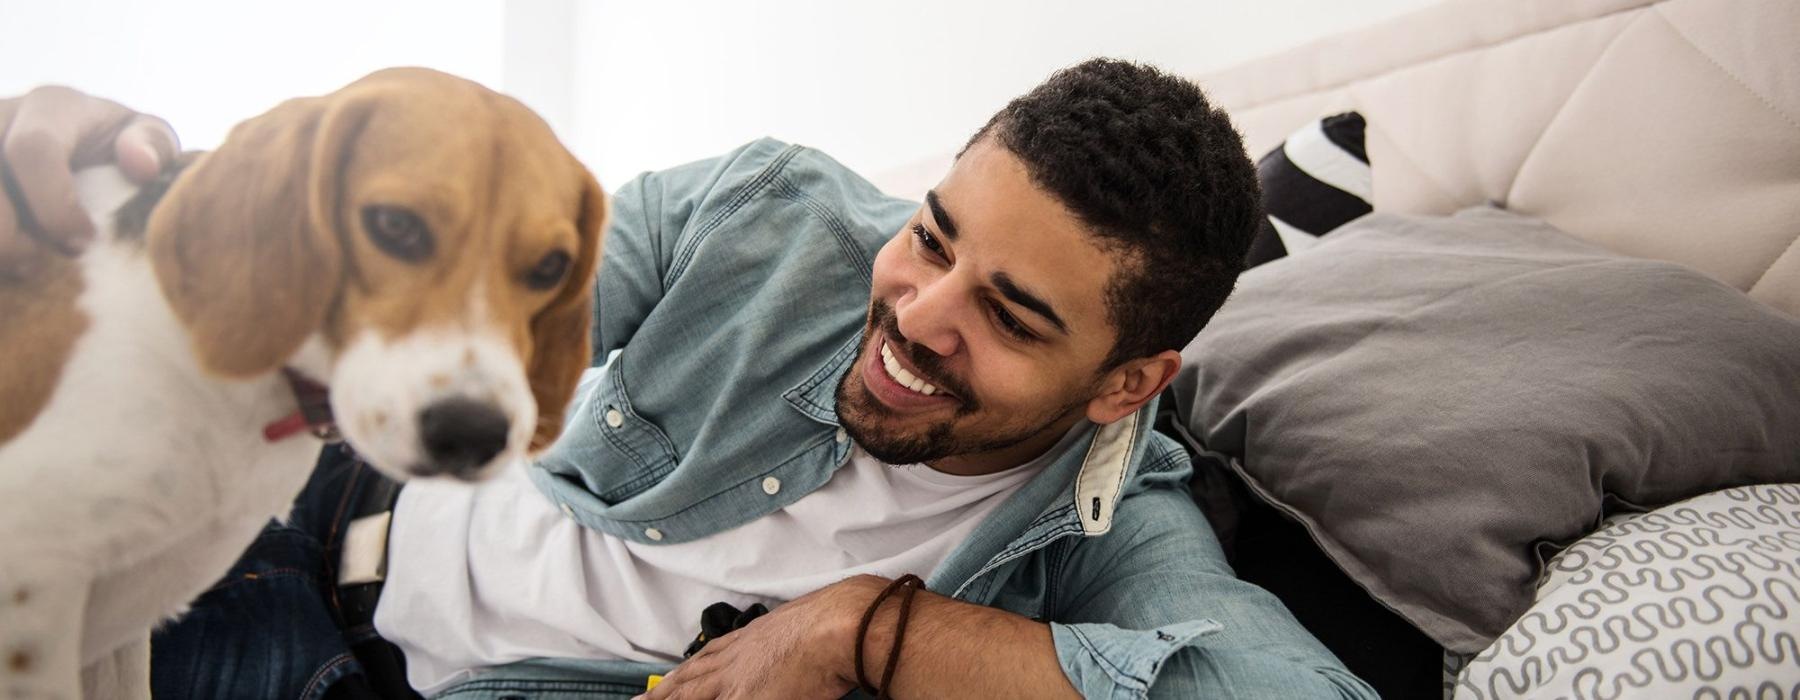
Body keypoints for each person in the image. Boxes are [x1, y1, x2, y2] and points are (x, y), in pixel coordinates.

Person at [1, 60, 1377, 699]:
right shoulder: (768, 214)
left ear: (1125, 382)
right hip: (309, 493)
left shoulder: (1109, 527)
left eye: (1008, 318)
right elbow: (456, 277)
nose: (912, 314)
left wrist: (865, 630)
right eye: (932, 237)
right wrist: (133, 176)